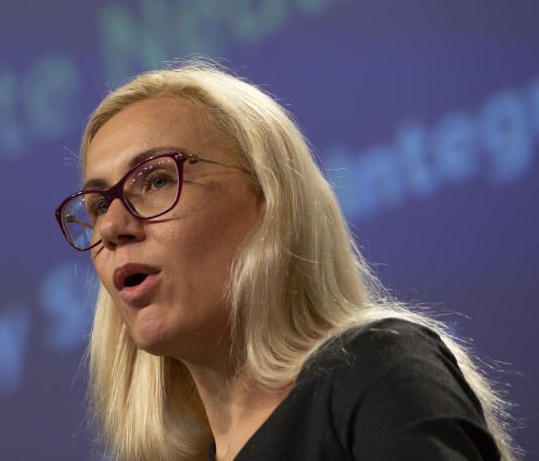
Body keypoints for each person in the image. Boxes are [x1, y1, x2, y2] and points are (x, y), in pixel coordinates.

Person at [53, 62, 518, 461]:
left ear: (269, 200)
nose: (111, 228)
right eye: (97, 205)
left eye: (154, 180)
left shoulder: (376, 372)